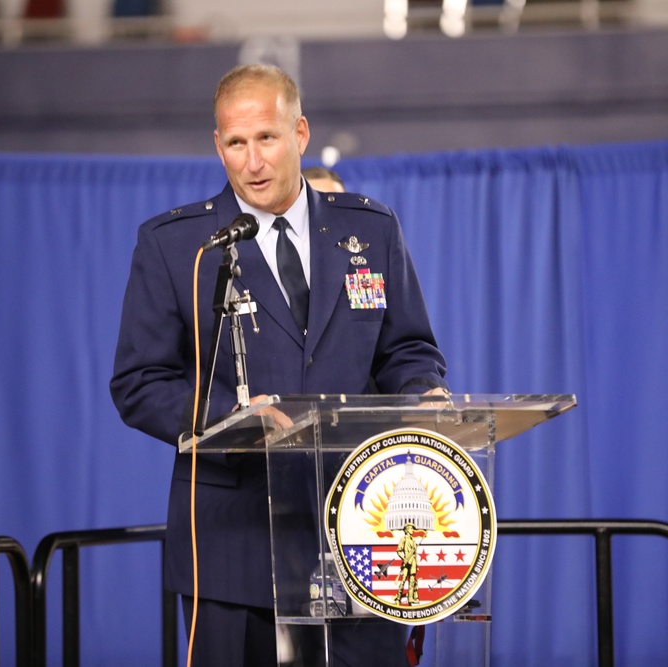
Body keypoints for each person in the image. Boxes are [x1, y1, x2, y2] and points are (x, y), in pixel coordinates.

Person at [110, 63, 448, 667]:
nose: (252, 161)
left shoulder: (368, 229)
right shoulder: (176, 246)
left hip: (357, 533)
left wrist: (421, 393)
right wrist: (232, 418)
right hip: (232, 547)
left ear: (300, 133)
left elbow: (407, 349)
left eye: (266, 138)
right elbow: (139, 382)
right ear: (218, 146)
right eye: (235, 144)